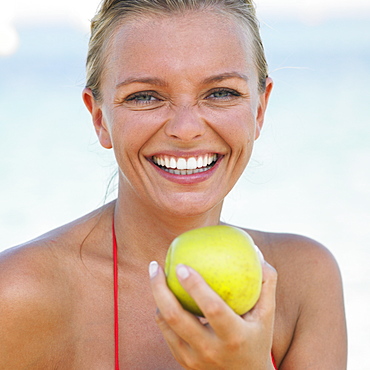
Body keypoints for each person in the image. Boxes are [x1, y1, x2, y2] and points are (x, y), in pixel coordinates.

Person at [0, 0, 347, 368]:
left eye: (221, 93)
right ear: (99, 118)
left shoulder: (305, 280)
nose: (185, 129)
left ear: (259, 110)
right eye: (145, 96)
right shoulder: (18, 294)